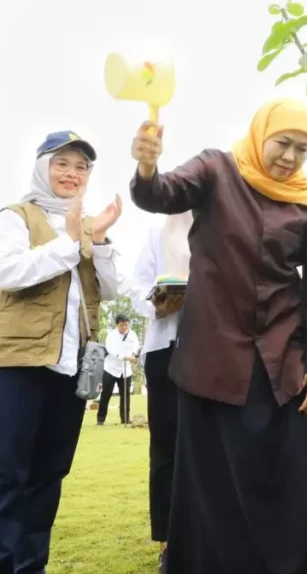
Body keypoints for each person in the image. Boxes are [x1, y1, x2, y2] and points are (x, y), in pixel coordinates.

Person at [130, 99, 307, 574]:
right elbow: (160, 194)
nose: (290, 157)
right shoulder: (216, 170)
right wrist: (147, 166)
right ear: (261, 134)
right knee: (209, 482)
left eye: (302, 149)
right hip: (211, 360)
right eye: (283, 143)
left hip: (278, 362)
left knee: (291, 477)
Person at [0, 131, 122, 572]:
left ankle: (31, 566)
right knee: (6, 475)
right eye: (62, 164)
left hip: (68, 369)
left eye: (81, 167)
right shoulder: (15, 216)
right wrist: (70, 242)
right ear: (42, 167)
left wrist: (100, 239)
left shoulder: (85, 226)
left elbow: (109, 290)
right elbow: (9, 274)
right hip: (16, 366)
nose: (72, 174)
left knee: (48, 475)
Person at [127, 212, 192, 570]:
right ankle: (169, 540)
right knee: (167, 445)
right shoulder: (157, 235)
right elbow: (136, 286)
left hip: (214, 350)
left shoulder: (222, 229)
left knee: (212, 443)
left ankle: (211, 533)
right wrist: (157, 303)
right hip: (164, 347)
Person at [97, 314, 140, 426]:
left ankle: (125, 418)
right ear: (117, 325)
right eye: (122, 325)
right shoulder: (111, 336)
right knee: (106, 394)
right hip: (110, 369)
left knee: (125, 395)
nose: (124, 327)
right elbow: (112, 351)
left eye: (126, 325)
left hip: (126, 370)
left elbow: (136, 347)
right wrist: (126, 357)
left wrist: (133, 355)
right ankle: (100, 419)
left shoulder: (132, 335)